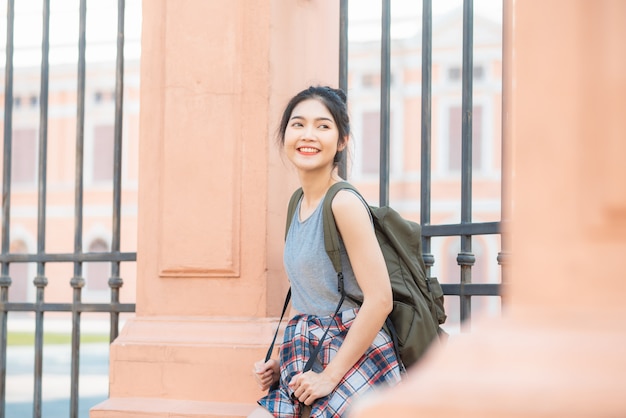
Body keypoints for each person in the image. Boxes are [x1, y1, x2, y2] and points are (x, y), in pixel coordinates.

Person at [248, 86, 401, 418]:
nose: (308, 135)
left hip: (353, 353)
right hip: (305, 353)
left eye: (323, 125)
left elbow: (380, 299)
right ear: (286, 134)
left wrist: (329, 377)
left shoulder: (343, 202)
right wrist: (280, 364)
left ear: (341, 140)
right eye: (298, 124)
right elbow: (310, 296)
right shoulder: (297, 204)